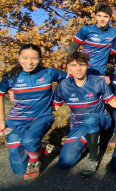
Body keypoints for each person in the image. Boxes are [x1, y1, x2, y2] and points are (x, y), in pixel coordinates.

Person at [0, 44, 67, 179]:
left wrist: (57, 101)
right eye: (25, 57)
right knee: (19, 168)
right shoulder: (10, 77)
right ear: (18, 57)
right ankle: (41, 149)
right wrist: (1, 121)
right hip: (16, 120)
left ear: (40, 59)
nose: (29, 62)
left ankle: (34, 159)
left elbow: (73, 79)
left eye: (34, 58)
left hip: (42, 117)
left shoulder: (48, 73)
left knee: (29, 141)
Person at [53, 52, 116, 177]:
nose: (78, 69)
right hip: (78, 125)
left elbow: (113, 102)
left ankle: (93, 159)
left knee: (90, 119)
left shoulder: (98, 82)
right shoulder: (63, 85)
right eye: (74, 65)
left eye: (82, 65)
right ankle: (86, 145)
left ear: (87, 66)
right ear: (68, 67)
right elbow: (55, 107)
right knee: (64, 163)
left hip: (100, 119)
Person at [69, 3, 116, 77]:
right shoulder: (86, 29)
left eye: (105, 16)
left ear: (110, 18)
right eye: (99, 16)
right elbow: (73, 47)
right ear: (95, 16)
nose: (102, 19)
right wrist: (71, 65)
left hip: (100, 72)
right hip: (83, 70)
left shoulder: (115, 33)